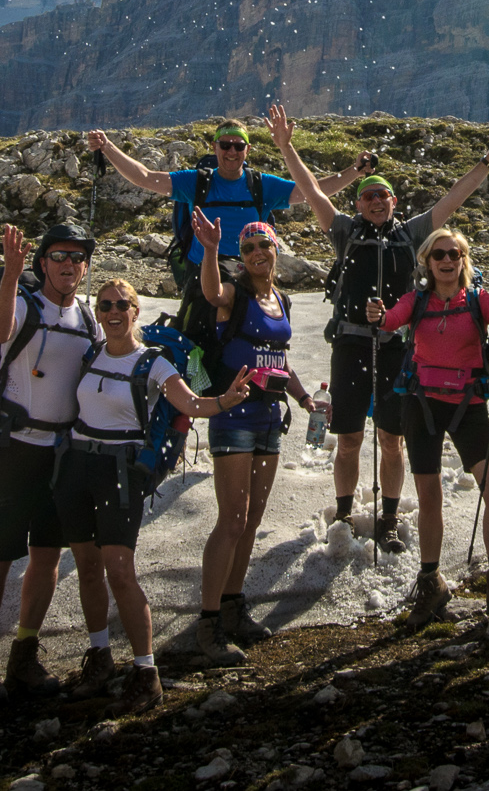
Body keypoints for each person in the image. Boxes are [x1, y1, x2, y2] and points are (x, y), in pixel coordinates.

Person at [267, 103, 489, 550]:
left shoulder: (411, 234)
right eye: (369, 197)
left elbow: (453, 199)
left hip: (398, 349)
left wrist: (488, 161)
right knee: (348, 438)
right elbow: (311, 190)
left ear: (394, 202)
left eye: (383, 196)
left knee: (390, 438)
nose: (377, 201)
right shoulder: (344, 231)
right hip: (350, 346)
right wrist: (287, 148)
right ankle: (344, 513)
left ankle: (388, 516)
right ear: (358, 203)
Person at [54, 276, 253, 713]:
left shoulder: (153, 362)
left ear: (136, 311)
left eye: (121, 305)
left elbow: (190, 404)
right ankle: (100, 658)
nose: (113, 312)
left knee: (119, 570)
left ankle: (146, 672)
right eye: (105, 305)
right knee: (88, 567)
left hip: (118, 472)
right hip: (77, 467)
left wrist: (225, 400)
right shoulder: (91, 353)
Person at [0, 221, 106, 705]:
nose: (69, 264)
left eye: (77, 257)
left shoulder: (87, 318)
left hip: (61, 454)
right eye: (59, 256)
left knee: (46, 556)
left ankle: (24, 654)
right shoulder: (24, 303)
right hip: (14, 447)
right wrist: (10, 273)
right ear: (42, 263)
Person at [366, 227, 489, 625]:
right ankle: (431, 581)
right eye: (439, 255)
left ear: (463, 259)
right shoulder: (417, 300)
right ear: (427, 261)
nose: (447, 260)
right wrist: (379, 316)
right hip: (422, 406)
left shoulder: (477, 298)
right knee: (429, 496)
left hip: (468, 406)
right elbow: (391, 321)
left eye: (454, 254)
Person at [189, 212, 316, 665]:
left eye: (264, 245)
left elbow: (279, 358)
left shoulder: (282, 299)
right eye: (248, 248)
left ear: (276, 250)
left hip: (268, 417)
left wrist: (304, 399)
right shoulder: (234, 294)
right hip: (233, 416)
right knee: (233, 519)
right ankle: (208, 623)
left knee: (253, 517)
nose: (257, 253)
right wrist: (210, 249)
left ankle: (233, 605)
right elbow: (211, 294)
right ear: (241, 257)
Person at [86, 121, 366, 283]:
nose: (232, 151)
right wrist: (107, 147)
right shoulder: (195, 182)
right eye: (225, 145)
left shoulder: (262, 185)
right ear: (215, 147)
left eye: (239, 146)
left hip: (250, 277)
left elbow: (313, 192)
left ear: (247, 150)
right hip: (202, 276)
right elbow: (144, 177)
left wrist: (355, 171)